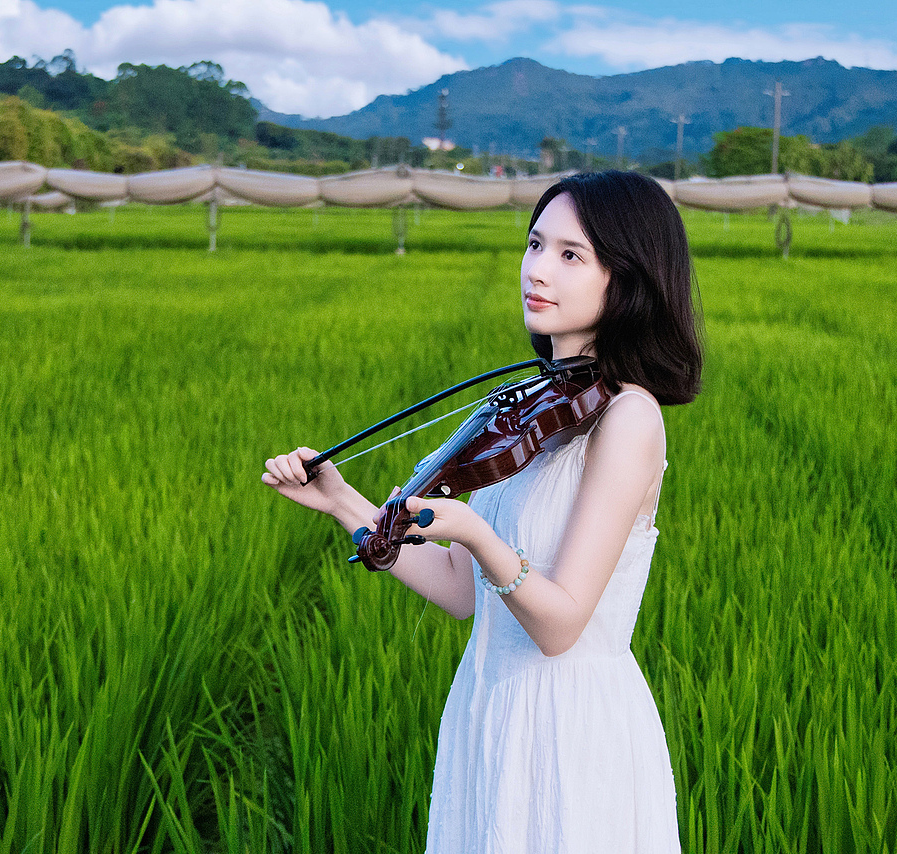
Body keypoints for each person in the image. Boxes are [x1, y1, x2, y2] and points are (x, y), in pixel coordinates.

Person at [262, 170, 703, 853]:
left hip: (571, 726)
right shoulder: (531, 410)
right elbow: (463, 591)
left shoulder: (629, 417)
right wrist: (340, 501)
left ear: (630, 278)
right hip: (489, 706)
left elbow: (560, 628)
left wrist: (472, 528)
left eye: (570, 255)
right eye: (534, 244)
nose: (538, 270)